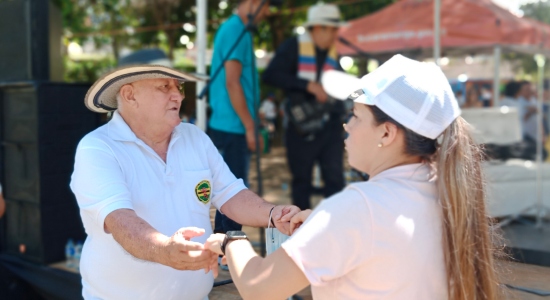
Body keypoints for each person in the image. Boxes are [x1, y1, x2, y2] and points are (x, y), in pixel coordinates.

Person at [205, 55, 501, 300]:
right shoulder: (446, 192)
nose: (346, 126)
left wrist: (231, 240)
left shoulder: (358, 207)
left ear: (386, 133)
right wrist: (323, 225)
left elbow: (259, 287)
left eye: (356, 116)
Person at [70, 64, 299, 300]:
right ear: (130, 95)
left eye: (179, 87)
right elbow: (119, 220)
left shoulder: (195, 137)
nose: (178, 95)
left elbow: (231, 195)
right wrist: (165, 250)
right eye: (164, 86)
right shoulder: (98, 147)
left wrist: (276, 214)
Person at [263, 3, 346, 210]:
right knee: (302, 182)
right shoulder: (293, 46)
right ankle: (302, 231)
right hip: (301, 129)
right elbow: (271, 74)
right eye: (333, 29)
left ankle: (336, 228)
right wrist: (307, 85)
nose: (336, 34)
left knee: (335, 180)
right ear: (318, 28)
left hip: (331, 126)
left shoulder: (334, 54)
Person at [208, 0, 274, 235]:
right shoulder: (235, 29)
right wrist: (249, 126)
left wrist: (254, 117)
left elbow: (241, 83)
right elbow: (232, 82)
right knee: (233, 194)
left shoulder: (239, 30)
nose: (267, 13)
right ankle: (226, 251)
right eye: (266, 6)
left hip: (233, 123)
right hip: (232, 126)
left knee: (231, 189)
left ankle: (223, 248)